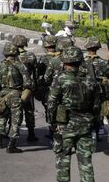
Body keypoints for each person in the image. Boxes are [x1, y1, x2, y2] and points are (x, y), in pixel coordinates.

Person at [47, 46, 101, 182]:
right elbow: (96, 106)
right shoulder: (91, 81)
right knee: (86, 163)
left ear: (64, 62)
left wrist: (53, 123)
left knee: (63, 162)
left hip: (64, 126)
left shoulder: (60, 79)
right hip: (85, 125)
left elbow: (51, 103)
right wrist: (93, 122)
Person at [0, 42, 33, 153]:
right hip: (16, 95)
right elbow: (28, 82)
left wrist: (1, 90)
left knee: (1, 117)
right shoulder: (20, 65)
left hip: (3, 94)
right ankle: (11, 146)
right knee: (16, 120)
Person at [12, 34, 39, 142]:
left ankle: (12, 132)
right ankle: (31, 133)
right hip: (27, 88)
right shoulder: (31, 56)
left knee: (13, 111)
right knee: (29, 111)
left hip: (13, 87)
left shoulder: (11, 56)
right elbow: (36, 73)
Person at [83, 37, 108, 136]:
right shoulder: (103, 63)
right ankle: (98, 128)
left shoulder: (82, 62)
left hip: (85, 90)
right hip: (99, 90)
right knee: (99, 109)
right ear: (97, 48)